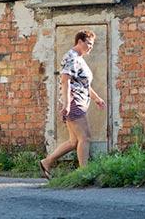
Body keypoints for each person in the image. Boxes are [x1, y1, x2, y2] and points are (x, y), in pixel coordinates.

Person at [39, 30, 105, 178]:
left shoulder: (79, 59)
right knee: (85, 138)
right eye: (88, 43)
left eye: (92, 45)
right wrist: (67, 104)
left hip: (78, 101)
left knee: (74, 141)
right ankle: (84, 173)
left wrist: (96, 98)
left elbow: (84, 84)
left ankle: (46, 162)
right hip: (74, 102)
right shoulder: (71, 57)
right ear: (79, 42)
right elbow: (65, 80)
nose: (90, 47)